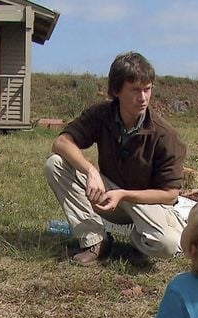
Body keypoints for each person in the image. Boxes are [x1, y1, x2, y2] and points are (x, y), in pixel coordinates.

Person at [43, 52, 187, 266]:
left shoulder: (165, 135)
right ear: (116, 91)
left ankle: (139, 238)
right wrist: (90, 170)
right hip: (107, 195)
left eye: (147, 89)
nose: (143, 98)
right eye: (135, 90)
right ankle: (95, 240)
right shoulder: (102, 114)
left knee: (167, 245)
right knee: (55, 164)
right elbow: (61, 143)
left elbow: (170, 194)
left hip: (146, 203)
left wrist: (125, 195)